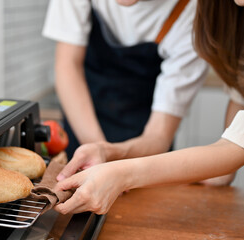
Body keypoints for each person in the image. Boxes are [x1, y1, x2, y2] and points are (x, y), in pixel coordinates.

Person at [52, 0, 244, 215]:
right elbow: (234, 141)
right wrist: (105, 151)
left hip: (143, 137)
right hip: (90, 131)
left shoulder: (197, 13)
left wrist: (120, 173)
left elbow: (232, 149)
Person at [43, 0, 208, 167]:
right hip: (83, 118)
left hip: (144, 144)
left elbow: (158, 136)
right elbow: (68, 64)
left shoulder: (194, 14)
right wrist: (96, 152)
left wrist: (109, 159)